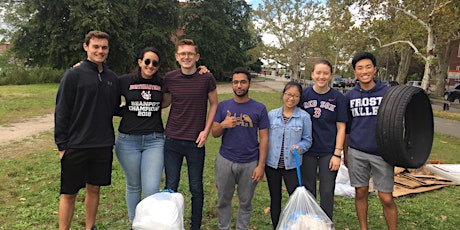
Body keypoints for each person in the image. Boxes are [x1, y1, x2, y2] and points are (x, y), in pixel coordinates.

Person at [54, 30, 120, 230]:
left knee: (94, 189)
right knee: (69, 193)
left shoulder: (112, 78)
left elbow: (115, 108)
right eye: (96, 47)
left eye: (104, 47)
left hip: (102, 144)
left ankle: (89, 227)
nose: (100, 51)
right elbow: (62, 111)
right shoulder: (73, 75)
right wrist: (62, 146)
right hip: (76, 145)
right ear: (86, 47)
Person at [162, 38, 218, 230]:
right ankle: (170, 224)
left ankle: (195, 226)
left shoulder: (206, 78)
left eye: (190, 54)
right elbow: (164, 101)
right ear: (177, 57)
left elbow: (214, 104)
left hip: (196, 141)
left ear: (197, 56)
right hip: (172, 139)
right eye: (182, 54)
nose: (186, 57)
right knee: (171, 186)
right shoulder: (169, 78)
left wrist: (206, 130)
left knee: (196, 188)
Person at [344, 52, 397, 230]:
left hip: (382, 153)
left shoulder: (388, 93)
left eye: (368, 67)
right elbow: (347, 128)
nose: (364, 71)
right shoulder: (349, 96)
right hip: (357, 151)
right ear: (355, 72)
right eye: (360, 68)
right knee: (360, 192)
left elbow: (399, 123)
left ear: (374, 69)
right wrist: (346, 153)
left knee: (386, 197)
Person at [211, 67, 269, 230]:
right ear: (232, 85)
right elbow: (214, 133)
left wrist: (261, 165)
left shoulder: (259, 108)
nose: (239, 86)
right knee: (223, 200)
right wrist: (224, 124)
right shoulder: (223, 106)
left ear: (249, 84)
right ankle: (224, 227)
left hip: (250, 162)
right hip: (225, 160)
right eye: (235, 82)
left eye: (243, 82)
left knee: (246, 202)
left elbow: (264, 138)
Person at [300, 59, 348, 220]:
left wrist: (337, 154)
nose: (321, 76)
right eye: (318, 73)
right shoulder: (304, 95)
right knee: (309, 189)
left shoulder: (338, 98)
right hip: (308, 150)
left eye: (325, 73)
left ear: (331, 76)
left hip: (328, 151)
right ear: (312, 75)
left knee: (327, 191)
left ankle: (325, 223)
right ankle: (309, 222)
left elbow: (341, 127)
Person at [266, 81, 312, 229]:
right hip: (272, 165)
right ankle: (276, 226)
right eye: (289, 95)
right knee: (275, 199)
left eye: (296, 96)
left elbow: (308, 140)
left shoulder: (304, 117)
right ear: (283, 95)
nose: (291, 99)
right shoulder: (272, 115)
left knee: (295, 199)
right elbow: (265, 138)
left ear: (300, 98)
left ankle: (295, 226)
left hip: (292, 165)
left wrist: (300, 147)